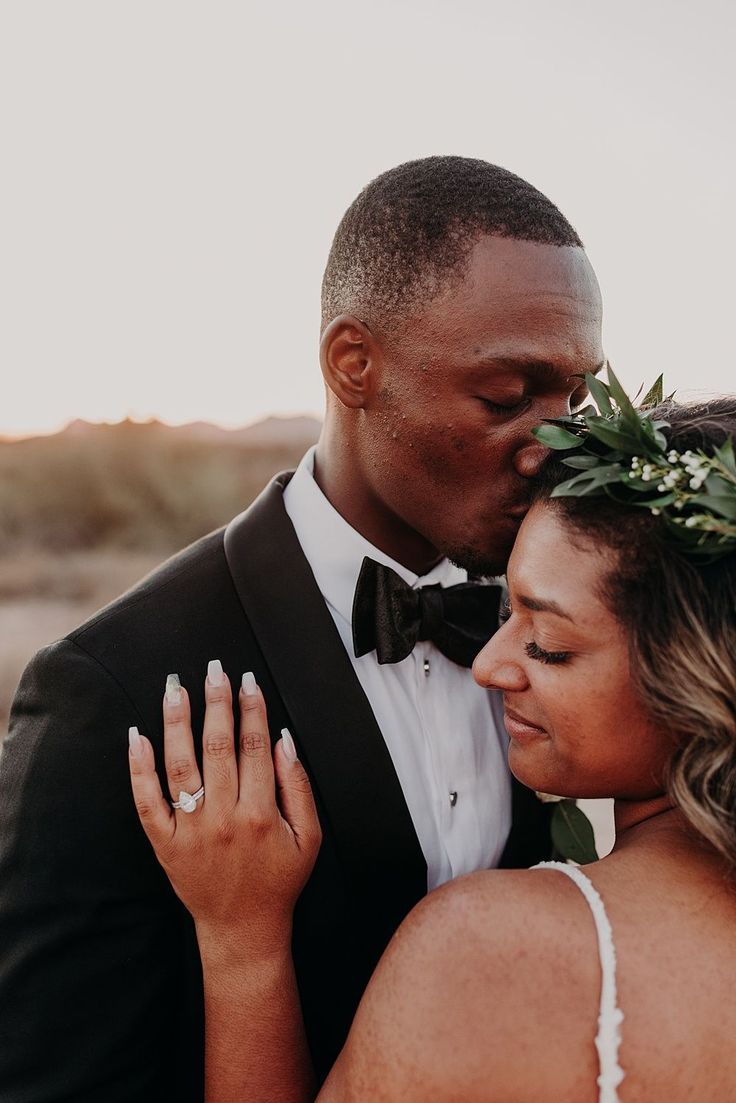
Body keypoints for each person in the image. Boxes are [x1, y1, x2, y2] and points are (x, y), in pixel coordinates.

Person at [0, 156, 603, 1101]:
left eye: (576, 395)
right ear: (353, 363)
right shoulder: (109, 688)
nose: (555, 442)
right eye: (506, 396)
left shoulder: (577, 634)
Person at [129, 385, 736, 1102]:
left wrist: (244, 947)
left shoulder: (488, 958)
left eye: (548, 644)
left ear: (698, 676)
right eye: (505, 607)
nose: (485, 665)